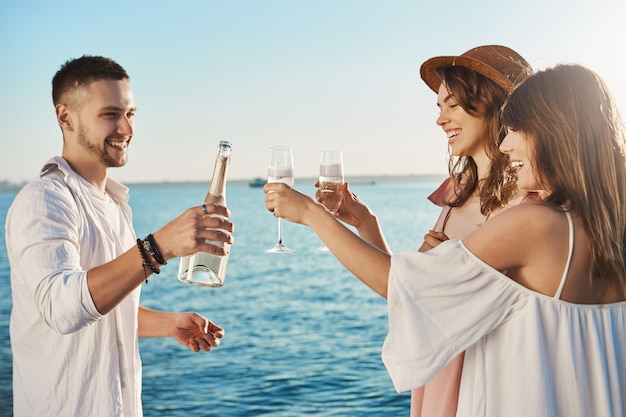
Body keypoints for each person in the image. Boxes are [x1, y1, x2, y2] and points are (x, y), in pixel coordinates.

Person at [265, 64, 626, 416]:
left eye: (516, 129)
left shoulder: (532, 221)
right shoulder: (600, 221)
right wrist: (370, 226)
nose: (505, 144)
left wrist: (311, 215)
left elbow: (404, 285)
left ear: (555, 131)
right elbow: (417, 288)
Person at [5, 55, 234, 416]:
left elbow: (103, 310)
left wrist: (168, 323)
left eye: (130, 113)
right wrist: (157, 248)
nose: (126, 128)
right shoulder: (44, 199)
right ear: (65, 117)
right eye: (110, 114)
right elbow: (64, 309)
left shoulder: (114, 205)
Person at [317, 45, 533, 416]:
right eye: (439, 108)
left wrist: (310, 215)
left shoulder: (524, 203)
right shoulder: (457, 189)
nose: (440, 120)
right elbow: (409, 293)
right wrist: (366, 223)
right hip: (443, 369)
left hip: (487, 378)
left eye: (452, 105)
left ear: (493, 104)